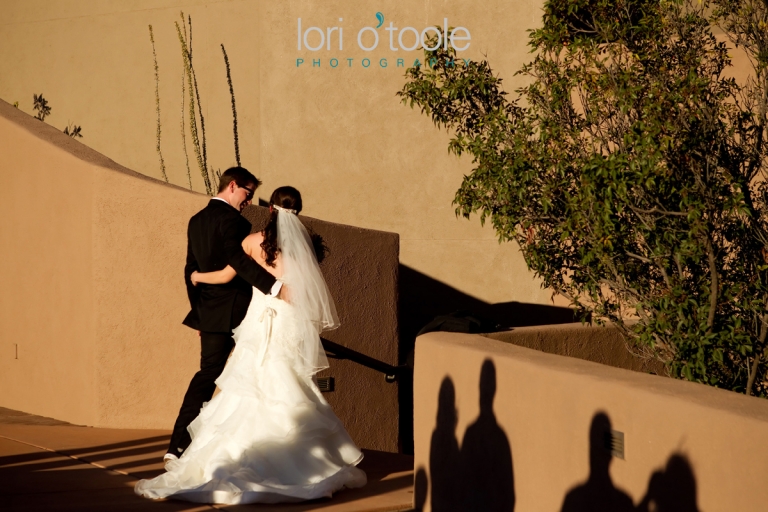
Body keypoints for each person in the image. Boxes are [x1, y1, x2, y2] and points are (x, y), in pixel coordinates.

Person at [135, 186, 366, 504]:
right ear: (297, 212)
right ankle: (304, 465)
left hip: (258, 322)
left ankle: (233, 457)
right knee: (290, 383)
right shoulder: (304, 247)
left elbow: (228, 277)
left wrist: (198, 278)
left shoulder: (250, 242)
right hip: (287, 322)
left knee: (249, 385)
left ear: (269, 210)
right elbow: (304, 292)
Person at [164, 167, 282, 464]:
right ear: (233, 186)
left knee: (208, 376)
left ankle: (177, 446)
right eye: (247, 193)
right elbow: (238, 262)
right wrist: (275, 287)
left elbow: (190, 271)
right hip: (238, 313)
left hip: (210, 315)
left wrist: (200, 315)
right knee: (252, 375)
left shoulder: (196, 221)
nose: (248, 200)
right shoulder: (233, 223)